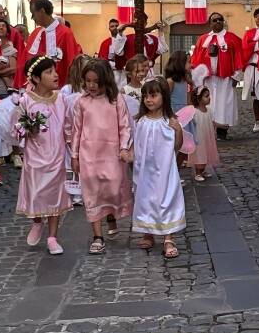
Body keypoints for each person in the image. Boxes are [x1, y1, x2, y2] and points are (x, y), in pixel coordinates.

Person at [71, 59, 133, 254]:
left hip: (112, 153)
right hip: (88, 154)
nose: (91, 85)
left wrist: (124, 147)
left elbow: (125, 126)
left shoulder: (116, 100)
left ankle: (111, 215)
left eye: (95, 81)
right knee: (92, 192)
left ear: (105, 81)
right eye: (88, 81)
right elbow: (76, 130)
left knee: (113, 187)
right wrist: (74, 155)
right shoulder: (81, 102)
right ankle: (97, 235)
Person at [13, 55, 71, 255]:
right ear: (36, 78)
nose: (55, 75)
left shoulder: (61, 99)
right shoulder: (26, 100)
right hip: (35, 157)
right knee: (36, 193)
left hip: (56, 155)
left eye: (55, 70)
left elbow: (68, 126)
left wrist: (74, 152)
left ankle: (53, 237)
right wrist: (28, 128)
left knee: (55, 196)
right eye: (49, 72)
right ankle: (37, 221)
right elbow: (16, 127)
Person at [131, 78, 185, 258]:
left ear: (164, 97)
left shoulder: (169, 121)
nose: (148, 100)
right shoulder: (141, 122)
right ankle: (148, 232)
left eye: (153, 95)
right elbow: (137, 145)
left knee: (166, 199)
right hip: (146, 170)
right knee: (146, 199)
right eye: (145, 96)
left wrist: (178, 131)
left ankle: (168, 237)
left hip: (165, 170)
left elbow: (177, 146)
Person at [190, 12, 244, 138]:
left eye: (220, 19)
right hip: (207, 79)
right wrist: (197, 77)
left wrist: (237, 75)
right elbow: (196, 58)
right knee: (208, 102)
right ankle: (208, 129)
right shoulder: (203, 39)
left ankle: (222, 131)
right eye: (214, 20)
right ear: (210, 23)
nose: (218, 22)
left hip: (225, 78)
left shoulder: (232, 38)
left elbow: (239, 56)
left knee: (224, 103)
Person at [14, 0, 79, 88]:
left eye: (33, 13)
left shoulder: (65, 33)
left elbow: (72, 63)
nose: (32, 18)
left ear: (42, 11)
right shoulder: (35, 34)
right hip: (35, 89)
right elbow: (24, 62)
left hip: (59, 89)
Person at [61, 55, 91, 207]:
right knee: (72, 164)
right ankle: (74, 194)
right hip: (71, 131)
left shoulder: (91, 89)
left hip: (88, 131)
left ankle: (86, 193)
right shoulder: (67, 90)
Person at [186, 84, 219, 181]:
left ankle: (203, 170)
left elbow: (212, 122)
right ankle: (198, 172)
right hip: (199, 136)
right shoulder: (195, 112)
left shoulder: (209, 110)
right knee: (200, 153)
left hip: (207, 135)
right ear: (199, 99)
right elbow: (191, 124)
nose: (209, 98)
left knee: (206, 152)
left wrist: (216, 129)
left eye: (209, 96)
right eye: (206, 96)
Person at [99, 17, 130, 88]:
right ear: (109, 28)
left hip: (122, 72)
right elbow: (102, 59)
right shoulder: (105, 43)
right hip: (111, 72)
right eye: (112, 26)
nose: (115, 28)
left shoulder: (125, 40)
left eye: (116, 26)